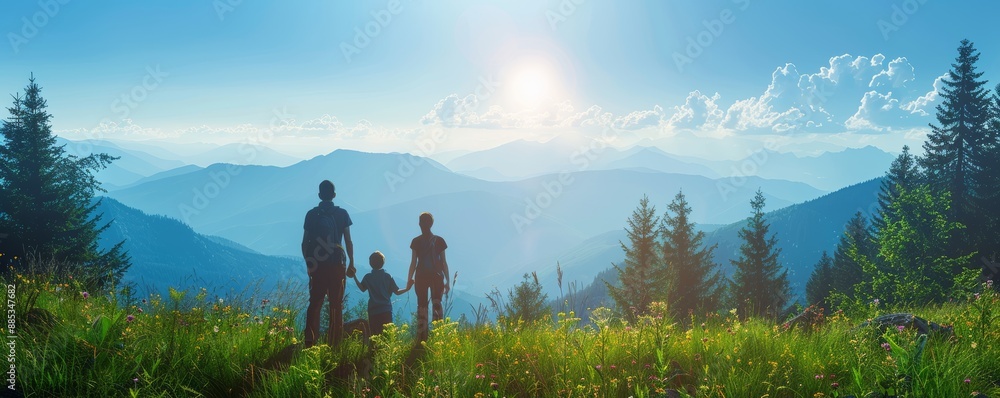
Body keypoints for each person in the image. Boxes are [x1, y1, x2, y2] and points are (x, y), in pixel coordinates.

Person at [301, 180, 355, 348]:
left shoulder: (311, 214)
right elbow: (348, 241)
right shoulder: (342, 214)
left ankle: (310, 341)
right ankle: (335, 342)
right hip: (337, 265)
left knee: (315, 303)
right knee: (335, 304)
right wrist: (352, 262)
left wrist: (309, 264)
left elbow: (304, 243)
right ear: (334, 195)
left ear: (319, 195)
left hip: (317, 266)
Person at [406, 212, 450, 341]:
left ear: (419, 223)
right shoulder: (440, 240)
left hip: (420, 276)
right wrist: (447, 280)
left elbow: (413, 263)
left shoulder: (416, 241)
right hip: (437, 277)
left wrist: (409, 279)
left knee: (422, 306)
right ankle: (438, 336)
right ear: (432, 224)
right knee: (437, 305)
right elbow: (443, 262)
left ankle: (421, 338)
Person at [352, 251, 413, 336]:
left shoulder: (368, 277)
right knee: (386, 335)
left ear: (370, 263)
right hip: (386, 310)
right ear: (383, 263)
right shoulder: (387, 276)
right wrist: (407, 288)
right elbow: (397, 292)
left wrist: (354, 276)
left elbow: (362, 288)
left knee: (374, 335)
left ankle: (373, 349)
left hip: (373, 311)